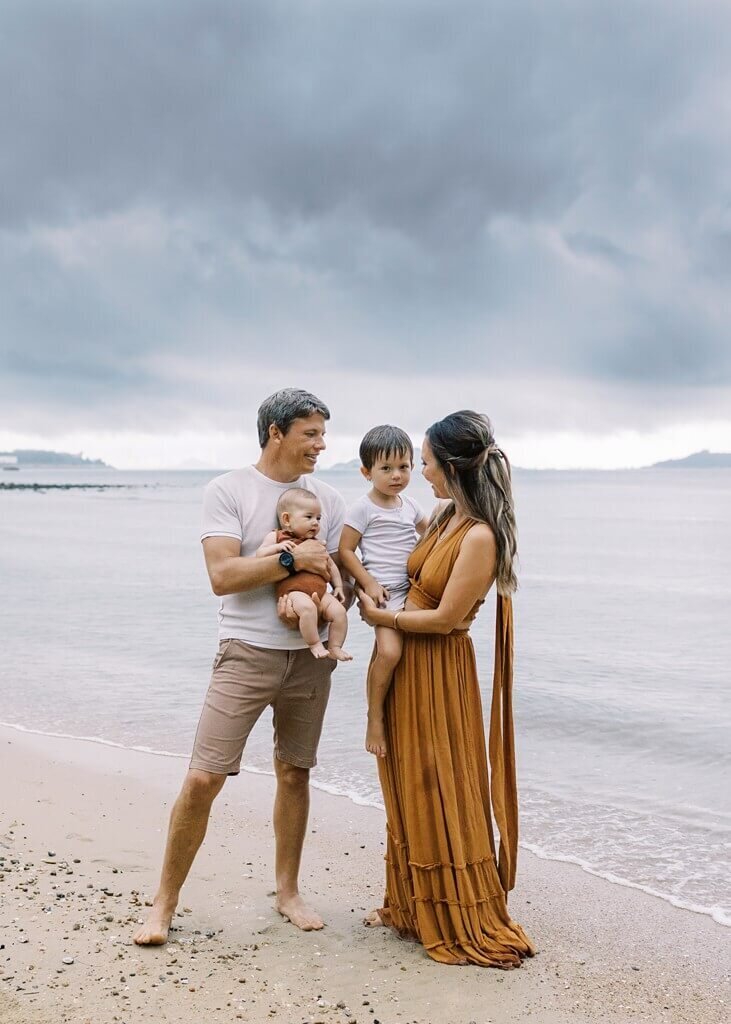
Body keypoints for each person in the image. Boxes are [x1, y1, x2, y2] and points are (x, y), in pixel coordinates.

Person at [133, 388, 347, 945]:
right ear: (276, 432)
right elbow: (221, 577)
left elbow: (340, 567)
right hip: (244, 653)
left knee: (295, 772)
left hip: (309, 656)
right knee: (204, 777)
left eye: (324, 434)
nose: (321, 445)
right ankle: (163, 903)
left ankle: (288, 892)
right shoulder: (227, 490)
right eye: (311, 434)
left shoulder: (328, 497)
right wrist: (289, 559)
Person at [358, 410, 534, 967]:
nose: (421, 471)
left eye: (427, 462)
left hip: (440, 671)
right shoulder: (440, 517)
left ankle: (455, 908)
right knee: (407, 777)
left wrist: (380, 620)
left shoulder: (479, 535)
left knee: (440, 780)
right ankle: (410, 903)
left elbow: (448, 620)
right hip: (408, 667)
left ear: (451, 466)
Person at [338, 425, 427, 757]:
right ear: (366, 472)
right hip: (384, 595)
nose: (396, 476)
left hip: (412, 591)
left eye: (403, 467)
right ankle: (375, 717)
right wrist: (369, 583)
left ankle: (408, 715)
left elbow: (431, 535)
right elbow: (346, 550)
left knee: (419, 652)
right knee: (389, 653)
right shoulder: (363, 508)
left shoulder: (410, 506)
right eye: (386, 468)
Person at [256, 487, 352, 661]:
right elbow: (260, 555)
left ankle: (335, 646)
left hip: (320, 592)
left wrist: (337, 586)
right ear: (286, 519)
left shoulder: (316, 543)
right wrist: (277, 549)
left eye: (318, 518)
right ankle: (314, 643)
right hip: (294, 592)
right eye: (309, 517)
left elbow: (330, 565)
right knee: (307, 609)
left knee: (339, 612)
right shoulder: (277, 538)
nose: (315, 523)